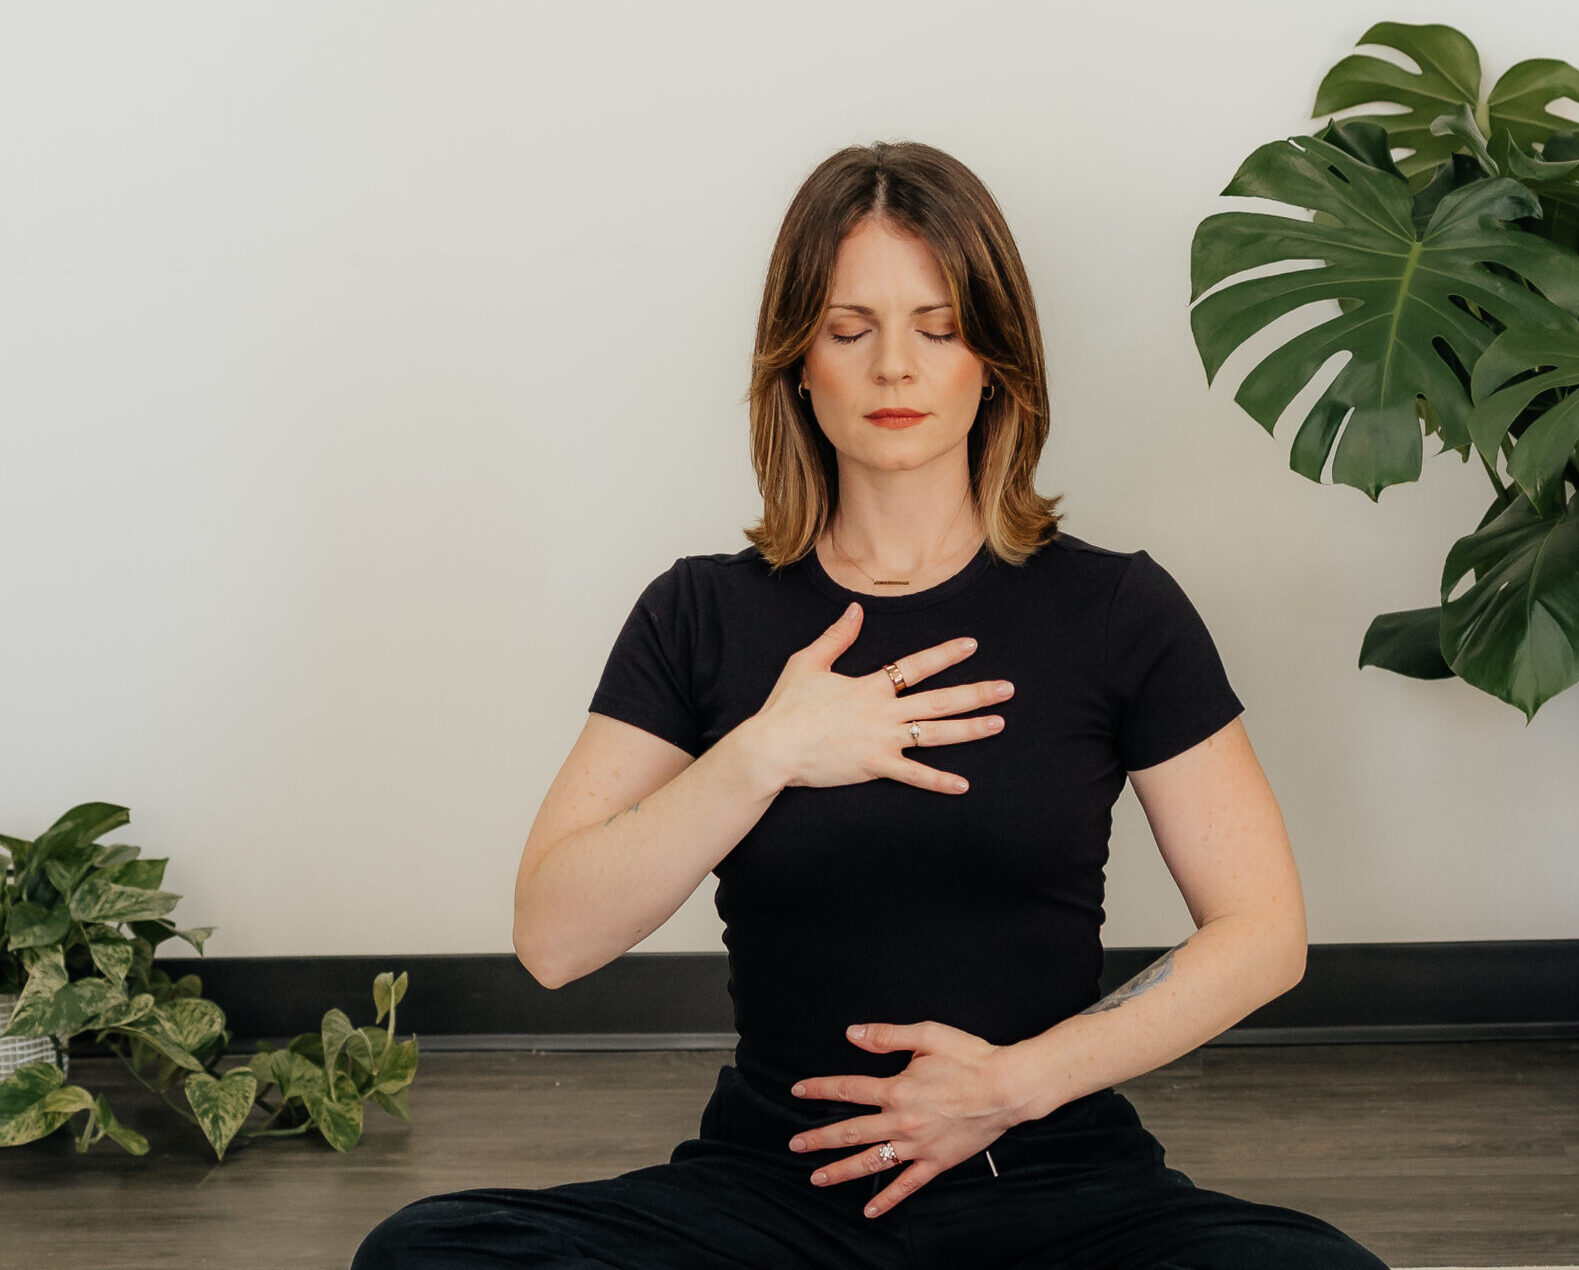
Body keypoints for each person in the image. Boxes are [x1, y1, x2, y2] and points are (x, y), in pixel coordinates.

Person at [352, 141, 1390, 1269]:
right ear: (799, 362)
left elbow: (1263, 934)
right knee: (425, 1253)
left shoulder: (1114, 608)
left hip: (1051, 1175)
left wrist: (1009, 1084)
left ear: (994, 359)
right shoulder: (701, 614)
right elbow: (552, 935)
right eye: (851, 330)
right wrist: (764, 752)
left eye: (937, 328)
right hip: (773, 1193)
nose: (895, 366)